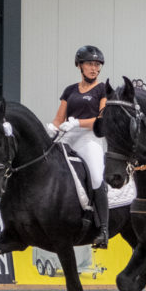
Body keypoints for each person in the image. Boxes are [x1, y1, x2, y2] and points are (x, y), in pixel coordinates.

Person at [47, 45, 111, 248]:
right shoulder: (70, 90)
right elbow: (59, 119)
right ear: (80, 66)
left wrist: (77, 123)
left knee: (95, 177)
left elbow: (102, 121)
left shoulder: (102, 90)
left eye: (97, 65)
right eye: (90, 64)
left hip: (89, 137)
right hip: (67, 135)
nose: (94, 69)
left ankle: (103, 229)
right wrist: (50, 129)